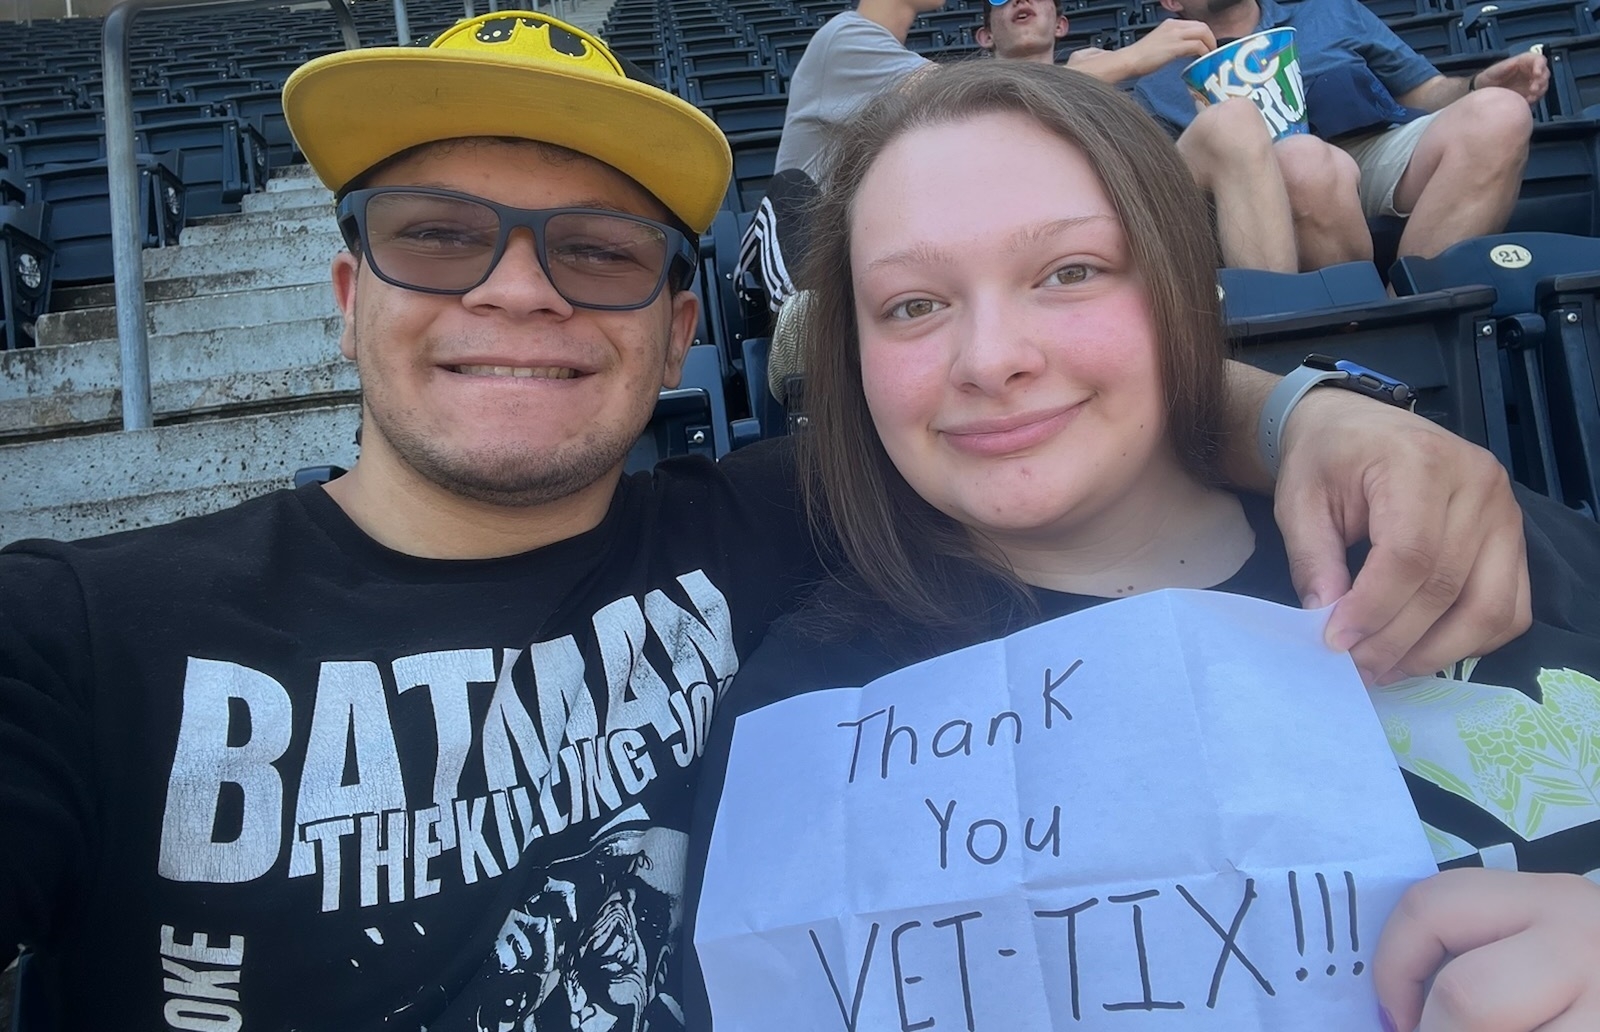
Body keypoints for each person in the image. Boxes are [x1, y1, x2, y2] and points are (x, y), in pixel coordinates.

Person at [0, 11, 1542, 1032]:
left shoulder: (773, 525)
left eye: (599, 252)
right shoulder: (80, 631)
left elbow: (1039, 403)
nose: (518, 291)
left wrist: (1313, 413)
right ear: (349, 296)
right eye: (439, 238)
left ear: (682, 330)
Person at [686, 60, 1599, 1032]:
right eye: (912, 304)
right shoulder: (806, 723)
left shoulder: (1446, 520)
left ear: (1178, 286)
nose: (990, 358)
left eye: (1069, 272)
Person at [1134, 0, 1550, 267]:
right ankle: (1349, 322)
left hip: (1369, 150)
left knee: (1501, 112)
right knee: (1304, 160)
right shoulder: (1152, 75)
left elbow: (1427, 91)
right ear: (1171, 2)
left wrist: (1476, 85)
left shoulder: (1331, 11)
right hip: (1260, 196)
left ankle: (1415, 306)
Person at [978, 0, 1302, 271]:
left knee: (1233, 121)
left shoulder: (1098, 72)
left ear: (1061, 25)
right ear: (985, 35)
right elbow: (999, 127)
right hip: (1026, 230)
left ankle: (1278, 308)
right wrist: (1129, 59)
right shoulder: (964, 95)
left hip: (1123, 213)